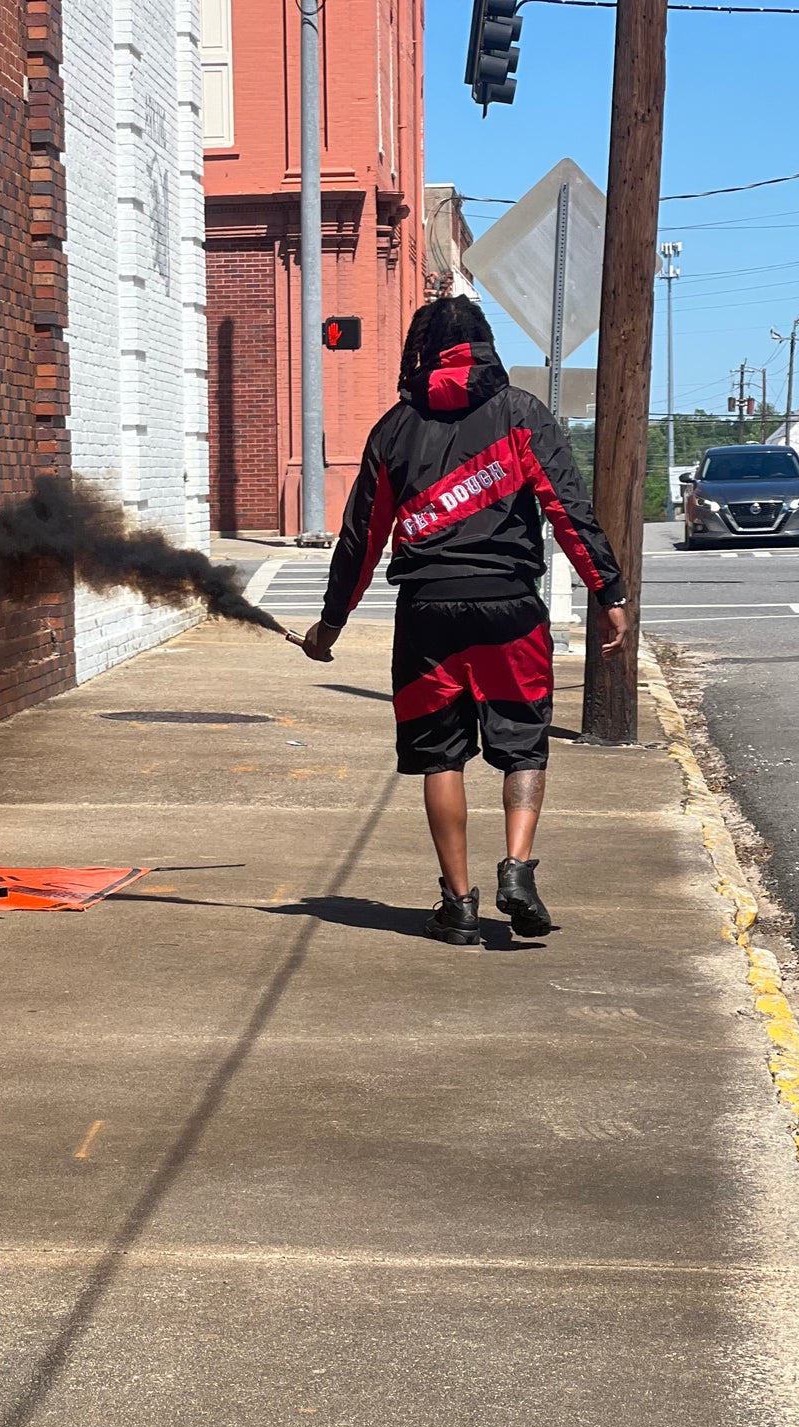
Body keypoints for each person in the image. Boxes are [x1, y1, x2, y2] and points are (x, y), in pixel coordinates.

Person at [301, 297, 628, 945]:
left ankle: (458, 902)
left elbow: (360, 538)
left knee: (438, 756)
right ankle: (516, 866)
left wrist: (329, 626)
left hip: (425, 613)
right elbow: (567, 507)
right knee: (522, 744)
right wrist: (607, 590)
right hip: (510, 608)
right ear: (482, 345)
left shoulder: (394, 428)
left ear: (421, 352)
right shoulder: (521, 415)